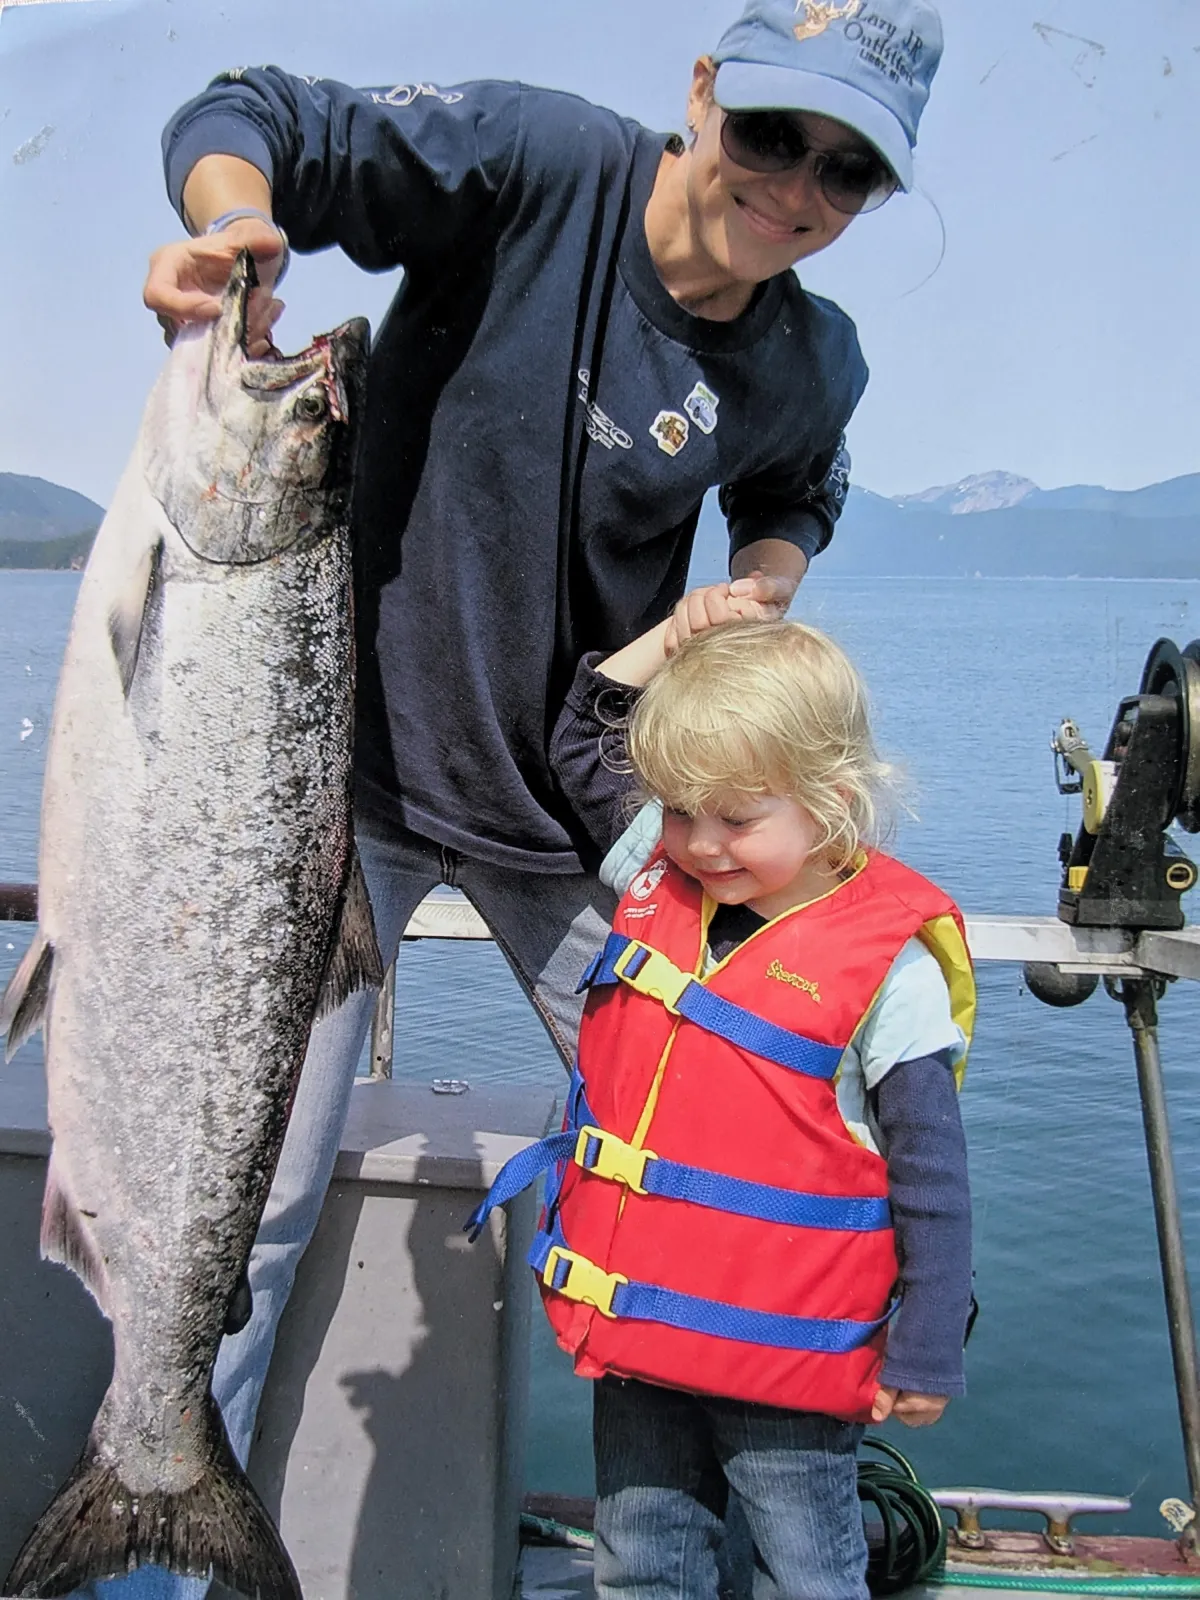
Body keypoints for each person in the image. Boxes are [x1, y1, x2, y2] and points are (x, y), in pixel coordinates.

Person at [112, 0, 944, 1592]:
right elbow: (260, 112)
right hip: (317, 786)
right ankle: (158, 1560)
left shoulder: (809, 356)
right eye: (774, 133)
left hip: (571, 810)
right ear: (704, 94)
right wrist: (230, 232)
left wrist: (757, 585)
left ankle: (756, 1547)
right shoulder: (538, 159)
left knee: (744, 1155)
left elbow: (797, 486)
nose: (796, 188)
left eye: (849, 174)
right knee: (249, 1203)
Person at [469, 600, 975, 1600]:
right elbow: (582, 741)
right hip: (646, 1335)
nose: (701, 843)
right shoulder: (659, 877)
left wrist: (926, 1340)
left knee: (808, 1568)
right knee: (640, 1554)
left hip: (787, 1355)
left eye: (738, 817)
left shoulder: (892, 972)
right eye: (679, 809)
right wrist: (682, 634)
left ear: (831, 800)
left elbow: (933, 1176)